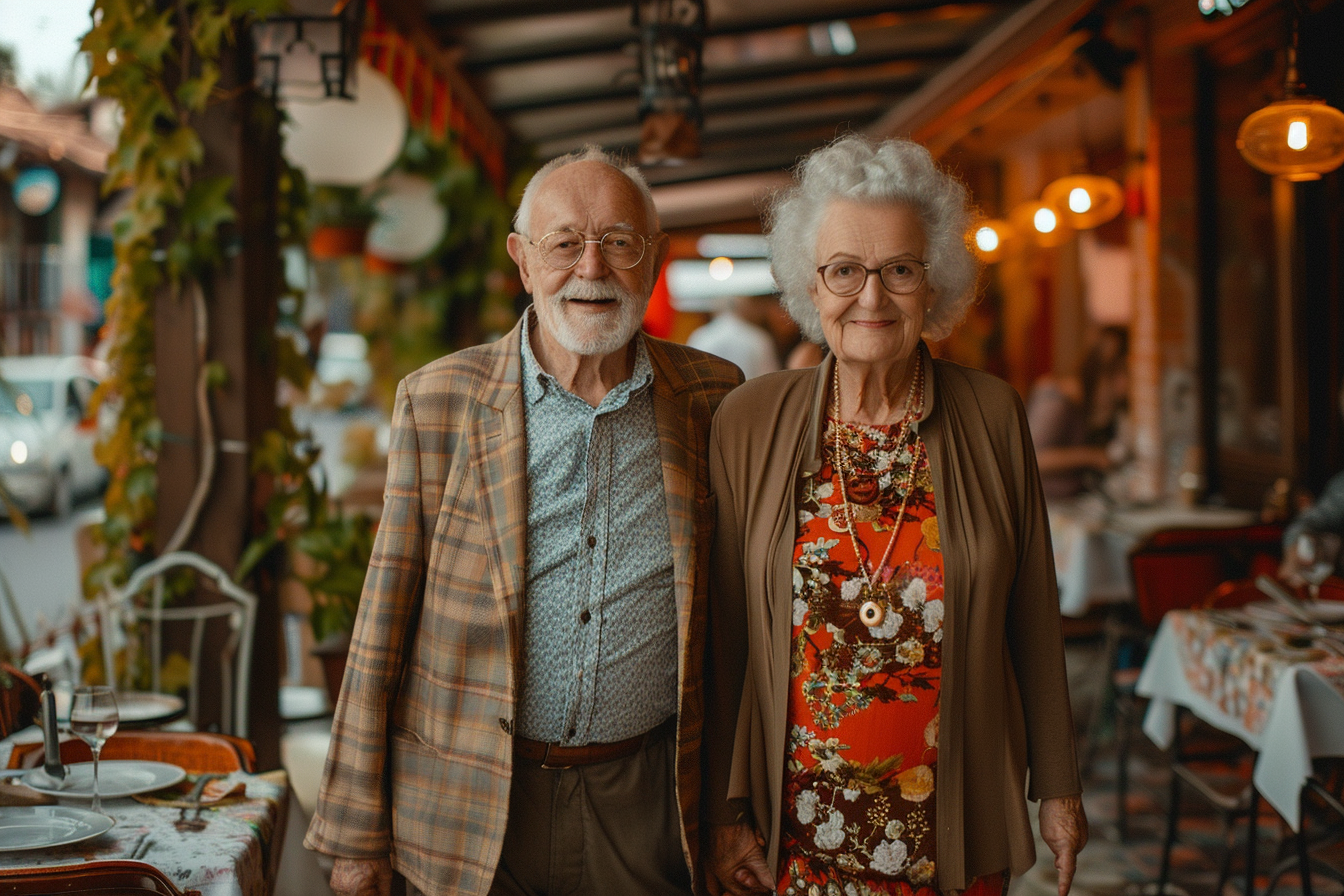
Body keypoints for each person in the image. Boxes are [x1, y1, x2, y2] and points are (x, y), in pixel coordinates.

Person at [304, 146, 743, 896]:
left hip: (644, 797)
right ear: (523, 261)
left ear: (655, 259)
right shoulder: (440, 398)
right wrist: (354, 830)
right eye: (565, 243)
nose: (592, 267)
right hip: (472, 799)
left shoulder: (714, 396)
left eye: (619, 242)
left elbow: (736, 619)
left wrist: (737, 810)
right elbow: (382, 616)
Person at [701, 136, 1087, 896]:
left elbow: (1034, 616)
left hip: (957, 823)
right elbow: (725, 642)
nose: (870, 297)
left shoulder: (993, 414)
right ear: (810, 287)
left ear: (933, 282)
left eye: (899, 270)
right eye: (844, 270)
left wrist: (1060, 787)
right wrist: (724, 808)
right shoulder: (748, 422)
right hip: (797, 837)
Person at [1026, 325, 1130, 500]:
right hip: (1047, 506)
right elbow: (1033, 459)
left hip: (1072, 504)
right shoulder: (1056, 401)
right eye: (1121, 373)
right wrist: (1093, 456)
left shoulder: (1090, 407)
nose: (1124, 385)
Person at [688, 294, 782, 380]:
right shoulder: (758, 337)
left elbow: (691, 377)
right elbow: (770, 379)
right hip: (751, 396)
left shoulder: (700, 336)